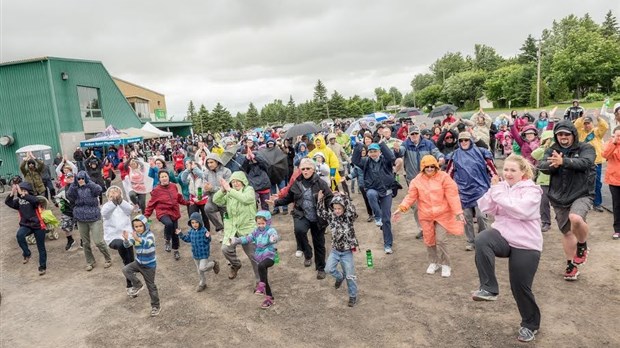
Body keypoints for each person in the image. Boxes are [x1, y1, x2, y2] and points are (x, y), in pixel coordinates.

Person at [474, 155, 543, 343]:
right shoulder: (500, 187)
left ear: (523, 172)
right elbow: (485, 207)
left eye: (513, 170)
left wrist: (499, 194)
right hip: (503, 237)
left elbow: (522, 211)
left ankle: (530, 325)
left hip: (526, 243)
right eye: (505, 169)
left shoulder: (532, 191)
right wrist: (494, 189)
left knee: (519, 287)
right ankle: (489, 288)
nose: (508, 173)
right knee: (481, 239)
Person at [537, 121, 596, 281]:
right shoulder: (552, 150)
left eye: (566, 134)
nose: (563, 137)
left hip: (581, 193)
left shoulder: (585, 148)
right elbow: (541, 166)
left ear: (573, 135)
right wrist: (554, 165)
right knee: (567, 232)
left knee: (575, 218)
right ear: (556, 135)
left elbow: (587, 163)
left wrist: (565, 162)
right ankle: (571, 265)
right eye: (560, 134)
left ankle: (582, 245)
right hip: (558, 197)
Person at [393, 155, 464, 278]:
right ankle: (433, 262)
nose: (430, 169)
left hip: (442, 214)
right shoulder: (417, 181)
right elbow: (410, 197)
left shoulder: (444, 177)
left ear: (436, 166)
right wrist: (401, 208)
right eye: (427, 167)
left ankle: (446, 264)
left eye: (432, 166)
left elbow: (452, 195)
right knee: (429, 240)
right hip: (426, 215)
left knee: (441, 239)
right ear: (423, 167)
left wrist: (458, 212)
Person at [269, 158, 333, 278]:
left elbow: (329, 198)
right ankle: (307, 254)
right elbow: (289, 198)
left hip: (318, 217)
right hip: (301, 214)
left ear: (313, 169)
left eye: (308, 168)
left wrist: (335, 207)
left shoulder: (321, 183)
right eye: (303, 169)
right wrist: (276, 203)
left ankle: (320, 268)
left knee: (319, 243)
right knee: (299, 230)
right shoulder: (296, 182)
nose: (305, 171)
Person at [445, 131, 497, 251]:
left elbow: (491, 168)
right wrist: (449, 188)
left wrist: (494, 178)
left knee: (480, 216)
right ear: (458, 142)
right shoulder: (455, 155)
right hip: (463, 191)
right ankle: (471, 241)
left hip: (480, 189)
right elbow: (449, 174)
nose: (464, 142)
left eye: (466, 140)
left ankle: (483, 239)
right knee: (467, 217)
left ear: (470, 140)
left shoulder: (480, 152)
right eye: (461, 140)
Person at [212, 171, 261, 285]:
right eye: (233, 182)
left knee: (253, 256)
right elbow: (216, 200)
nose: (235, 183)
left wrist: (229, 190)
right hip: (232, 229)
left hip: (247, 228)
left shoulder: (249, 190)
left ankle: (260, 280)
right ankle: (236, 264)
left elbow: (245, 199)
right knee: (225, 249)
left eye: (237, 181)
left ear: (243, 181)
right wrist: (222, 191)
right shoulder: (230, 193)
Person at [352, 142, 396, 253]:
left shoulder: (385, 161)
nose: (373, 154)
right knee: (370, 194)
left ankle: (388, 245)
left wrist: (381, 144)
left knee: (386, 220)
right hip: (373, 189)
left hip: (386, 191)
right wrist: (358, 146)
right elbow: (355, 161)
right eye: (370, 152)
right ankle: (377, 217)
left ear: (379, 152)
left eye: (375, 151)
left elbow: (391, 157)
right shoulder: (366, 161)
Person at [230, 210, 280, 309]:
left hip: (270, 256)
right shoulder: (255, 231)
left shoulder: (271, 231)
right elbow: (248, 238)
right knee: (264, 277)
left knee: (261, 267)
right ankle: (269, 299)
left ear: (268, 222)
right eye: (258, 223)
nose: (261, 225)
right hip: (260, 256)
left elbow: (275, 237)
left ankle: (261, 286)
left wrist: (273, 239)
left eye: (263, 223)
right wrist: (237, 240)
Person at [317, 192, 359, 307]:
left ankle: (352, 296)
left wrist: (345, 197)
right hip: (335, 250)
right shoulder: (331, 217)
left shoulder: (349, 217)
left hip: (347, 252)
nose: (337, 211)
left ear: (344, 207)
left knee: (350, 275)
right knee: (328, 269)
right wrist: (320, 200)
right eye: (335, 208)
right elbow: (321, 212)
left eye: (339, 208)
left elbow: (353, 212)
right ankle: (340, 277)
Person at [67, 171, 112, 271]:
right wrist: (74, 184)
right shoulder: (75, 188)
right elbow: (69, 195)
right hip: (81, 218)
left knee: (98, 241)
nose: (81, 180)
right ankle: (90, 262)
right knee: (85, 243)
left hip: (94, 216)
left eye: (82, 178)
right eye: (78, 179)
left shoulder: (91, 186)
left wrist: (88, 183)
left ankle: (108, 258)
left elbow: (99, 189)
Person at [144, 171, 190, 260]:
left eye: (165, 176)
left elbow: (178, 198)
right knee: (169, 224)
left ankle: (176, 250)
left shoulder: (173, 186)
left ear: (168, 177)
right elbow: (151, 204)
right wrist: (146, 215)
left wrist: (187, 203)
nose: (164, 178)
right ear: (159, 179)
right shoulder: (156, 190)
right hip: (162, 212)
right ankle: (167, 240)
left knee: (175, 231)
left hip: (174, 212)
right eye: (162, 177)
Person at [5, 182, 47, 276]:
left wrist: (23, 194)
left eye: (24, 190)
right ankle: (27, 253)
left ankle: (42, 267)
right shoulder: (19, 201)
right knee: (19, 236)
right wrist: (12, 193)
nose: (22, 192)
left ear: (29, 191)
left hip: (38, 225)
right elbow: (8, 202)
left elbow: (35, 201)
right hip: (26, 225)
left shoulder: (34, 199)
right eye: (21, 190)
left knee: (41, 247)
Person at [122, 215, 161, 317]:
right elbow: (128, 245)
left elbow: (148, 244)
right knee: (126, 269)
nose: (138, 228)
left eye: (140, 226)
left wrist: (138, 239)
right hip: (138, 263)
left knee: (151, 286)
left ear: (145, 225)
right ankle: (138, 284)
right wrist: (126, 240)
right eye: (136, 226)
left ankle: (155, 306)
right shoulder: (135, 236)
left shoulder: (150, 235)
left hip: (149, 266)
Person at [101, 186, 135, 295]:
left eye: (116, 195)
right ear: (108, 197)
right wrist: (114, 202)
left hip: (127, 236)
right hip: (113, 238)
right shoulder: (106, 207)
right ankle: (131, 284)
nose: (114, 197)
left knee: (130, 261)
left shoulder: (124, 205)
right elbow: (105, 213)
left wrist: (120, 201)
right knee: (123, 247)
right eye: (111, 195)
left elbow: (130, 210)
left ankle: (131, 285)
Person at [176, 212, 221, 292]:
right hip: (195, 255)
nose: (195, 224)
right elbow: (187, 239)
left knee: (202, 268)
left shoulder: (204, 231)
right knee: (199, 271)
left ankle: (213, 263)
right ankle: (202, 284)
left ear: (200, 222)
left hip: (203, 254)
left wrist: (208, 237)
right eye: (192, 222)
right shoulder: (191, 231)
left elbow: (208, 241)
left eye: (196, 222)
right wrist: (180, 234)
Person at [574, 113, 608, 212]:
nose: (586, 125)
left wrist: (598, 117)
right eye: (585, 123)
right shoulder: (580, 133)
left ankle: (597, 204)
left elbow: (605, 127)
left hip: (596, 162)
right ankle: (584, 203)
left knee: (597, 183)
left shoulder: (597, 132)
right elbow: (575, 126)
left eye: (588, 123)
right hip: (583, 161)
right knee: (582, 183)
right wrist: (581, 118)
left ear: (592, 124)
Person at [202, 153, 232, 234]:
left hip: (225, 199)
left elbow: (227, 188)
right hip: (212, 198)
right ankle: (219, 227)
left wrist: (212, 188)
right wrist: (205, 189)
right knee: (207, 208)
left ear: (217, 161)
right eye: (208, 163)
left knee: (226, 220)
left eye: (211, 162)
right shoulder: (206, 173)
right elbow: (204, 189)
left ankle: (228, 234)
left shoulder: (226, 171)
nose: (209, 164)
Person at [531, 131, 554, 232]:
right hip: (543, 180)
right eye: (547, 139)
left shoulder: (557, 149)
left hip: (556, 179)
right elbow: (534, 155)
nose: (550, 141)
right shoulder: (541, 150)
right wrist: (545, 147)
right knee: (544, 202)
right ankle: (546, 222)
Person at [602, 125, 620, 240]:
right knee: (617, 205)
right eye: (617, 135)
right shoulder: (610, 144)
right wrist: (613, 143)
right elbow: (605, 155)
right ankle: (617, 229)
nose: (619, 137)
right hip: (614, 180)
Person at [55, 172, 79, 250]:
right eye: (69, 177)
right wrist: (60, 204)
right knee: (65, 226)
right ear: (66, 179)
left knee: (81, 227)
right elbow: (57, 198)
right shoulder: (62, 190)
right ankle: (70, 240)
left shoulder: (79, 187)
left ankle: (83, 241)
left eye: (72, 177)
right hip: (67, 211)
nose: (71, 178)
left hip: (79, 211)